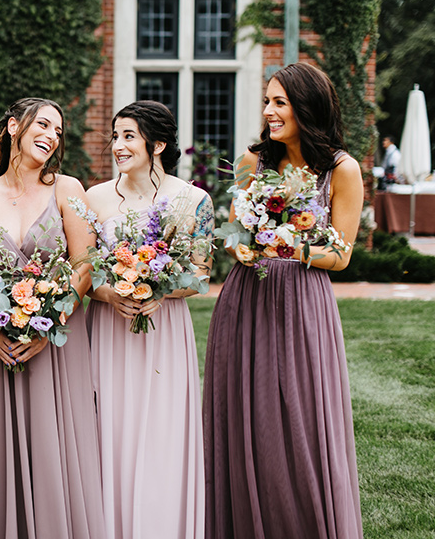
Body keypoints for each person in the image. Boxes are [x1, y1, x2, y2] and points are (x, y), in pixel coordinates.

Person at [203, 62, 364, 538]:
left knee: (299, 418)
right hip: (246, 295)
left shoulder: (341, 169)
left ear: (306, 106)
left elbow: (342, 254)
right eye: (268, 101)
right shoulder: (254, 161)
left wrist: (294, 247)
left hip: (302, 300)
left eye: (280, 102)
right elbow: (233, 231)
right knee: (246, 413)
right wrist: (243, 247)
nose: (269, 112)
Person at [0, 97, 105, 539]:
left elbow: (85, 263)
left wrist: (50, 323)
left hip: (56, 343)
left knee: (54, 450)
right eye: (43, 124)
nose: (52, 136)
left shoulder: (68, 189)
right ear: (13, 127)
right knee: (3, 452)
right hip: (0, 341)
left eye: (58, 131)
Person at [85, 101, 213, 539]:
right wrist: (110, 292)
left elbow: (199, 274)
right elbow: (83, 272)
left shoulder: (194, 199)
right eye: (115, 136)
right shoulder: (95, 198)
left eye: (128, 136)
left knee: (163, 434)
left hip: (165, 331)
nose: (117, 146)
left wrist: (155, 288)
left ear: (157, 144)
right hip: (109, 329)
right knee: (111, 434)